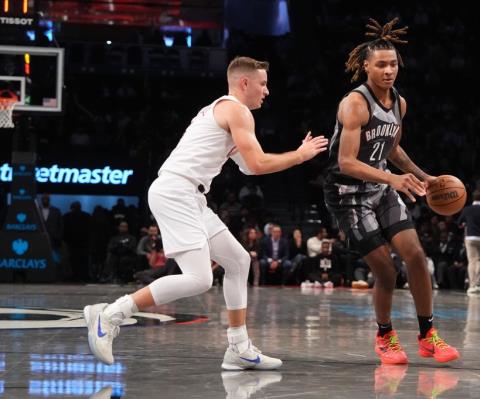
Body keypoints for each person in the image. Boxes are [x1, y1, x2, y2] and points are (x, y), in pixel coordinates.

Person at [84, 56, 328, 370]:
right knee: (199, 279)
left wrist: (295, 155)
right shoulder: (235, 110)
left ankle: (238, 348)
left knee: (239, 261)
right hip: (177, 192)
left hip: (191, 196)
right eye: (263, 84)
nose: (267, 91)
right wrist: (299, 155)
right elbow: (257, 164)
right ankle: (109, 315)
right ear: (244, 83)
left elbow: (249, 167)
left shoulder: (226, 113)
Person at [323, 18, 459, 364]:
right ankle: (385, 336)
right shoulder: (355, 104)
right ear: (365, 66)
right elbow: (347, 162)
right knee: (386, 271)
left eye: (393, 64)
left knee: (416, 255)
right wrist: (394, 180)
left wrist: (423, 175)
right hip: (347, 193)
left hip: (381, 187)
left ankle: (428, 335)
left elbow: (392, 150)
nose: (388, 70)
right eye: (380, 64)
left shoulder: (399, 103)